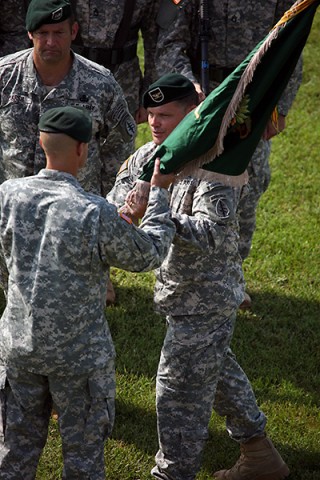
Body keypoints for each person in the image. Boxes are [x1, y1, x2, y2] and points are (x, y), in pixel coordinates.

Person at [108, 73, 290, 480]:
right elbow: (116, 202)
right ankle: (259, 454)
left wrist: (156, 209)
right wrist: (122, 213)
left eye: (165, 115)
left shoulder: (215, 162)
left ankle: (173, 473)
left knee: (176, 392)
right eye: (151, 114)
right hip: (177, 292)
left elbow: (214, 234)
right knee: (215, 369)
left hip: (207, 297)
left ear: (192, 114)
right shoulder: (146, 156)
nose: (154, 124)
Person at [0, 106, 176, 479]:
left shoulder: (7, 195)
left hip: (18, 347)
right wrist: (158, 195)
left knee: (13, 452)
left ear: (41, 142)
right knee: (82, 458)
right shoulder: (94, 212)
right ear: (82, 150)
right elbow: (149, 253)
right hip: (78, 357)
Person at [155, 0, 302, 309]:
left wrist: (280, 106)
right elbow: (170, 43)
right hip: (200, 106)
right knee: (185, 187)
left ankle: (232, 276)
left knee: (247, 187)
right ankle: (182, 274)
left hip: (253, 102)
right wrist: (187, 87)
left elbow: (290, 45)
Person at [0, 0, 136, 197]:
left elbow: (120, 149)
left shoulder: (100, 84)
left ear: (73, 31)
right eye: (43, 33)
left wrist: (110, 207)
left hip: (77, 215)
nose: (51, 42)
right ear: (30, 33)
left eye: (59, 33)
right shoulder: (5, 76)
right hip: (14, 213)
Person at [71, 0, 161, 196]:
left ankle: (116, 224)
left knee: (120, 173)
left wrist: (149, 96)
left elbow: (154, 41)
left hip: (122, 86)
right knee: (77, 171)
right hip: (73, 86)